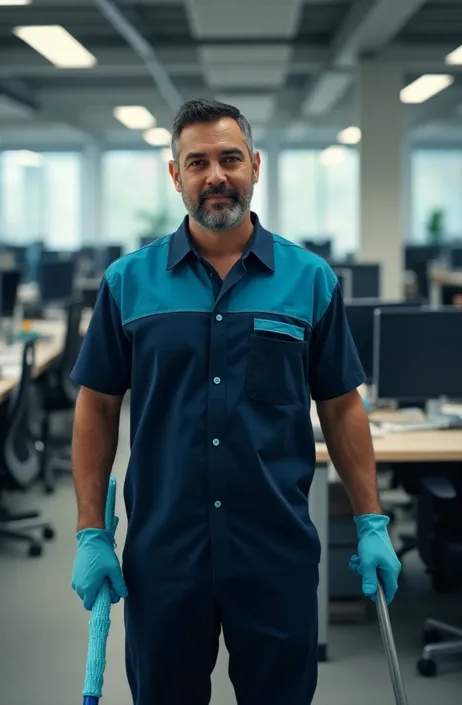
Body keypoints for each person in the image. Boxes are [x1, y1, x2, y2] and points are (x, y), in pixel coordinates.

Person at [70, 99, 401, 705]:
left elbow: (341, 406)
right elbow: (96, 407)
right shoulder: (128, 282)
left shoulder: (310, 279)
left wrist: (370, 520)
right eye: (197, 162)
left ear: (255, 165)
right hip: (165, 552)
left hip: (274, 550)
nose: (215, 175)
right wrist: (92, 530)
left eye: (229, 159)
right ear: (176, 175)